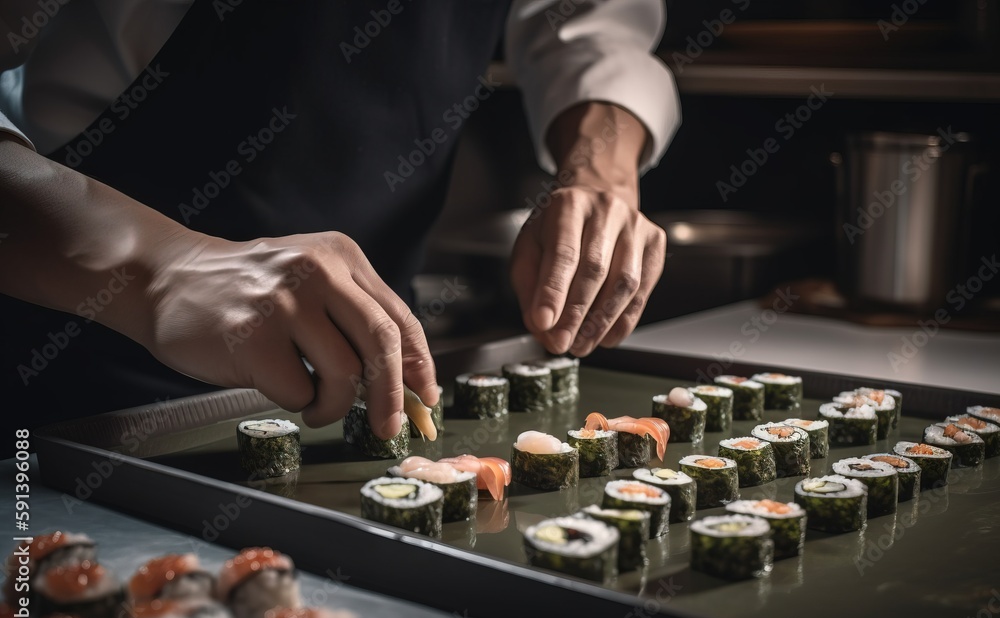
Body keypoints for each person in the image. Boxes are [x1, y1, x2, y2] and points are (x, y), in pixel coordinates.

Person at [0, 0, 680, 437]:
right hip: (73, 382)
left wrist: (600, 171)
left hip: (377, 380)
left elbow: (589, 27)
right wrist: (159, 265)